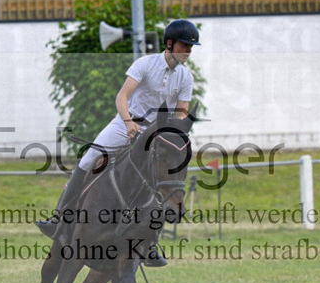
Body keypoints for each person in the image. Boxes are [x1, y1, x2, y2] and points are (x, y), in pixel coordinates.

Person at [37, 19, 200, 266]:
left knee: (158, 180)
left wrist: (174, 134)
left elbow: (181, 111)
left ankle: (151, 244)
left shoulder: (186, 77)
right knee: (88, 159)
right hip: (126, 123)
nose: (188, 50)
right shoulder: (145, 64)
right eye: (184, 45)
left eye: (191, 47)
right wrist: (128, 123)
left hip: (155, 135)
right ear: (169, 43)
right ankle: (60, 217)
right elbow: (122, 97)